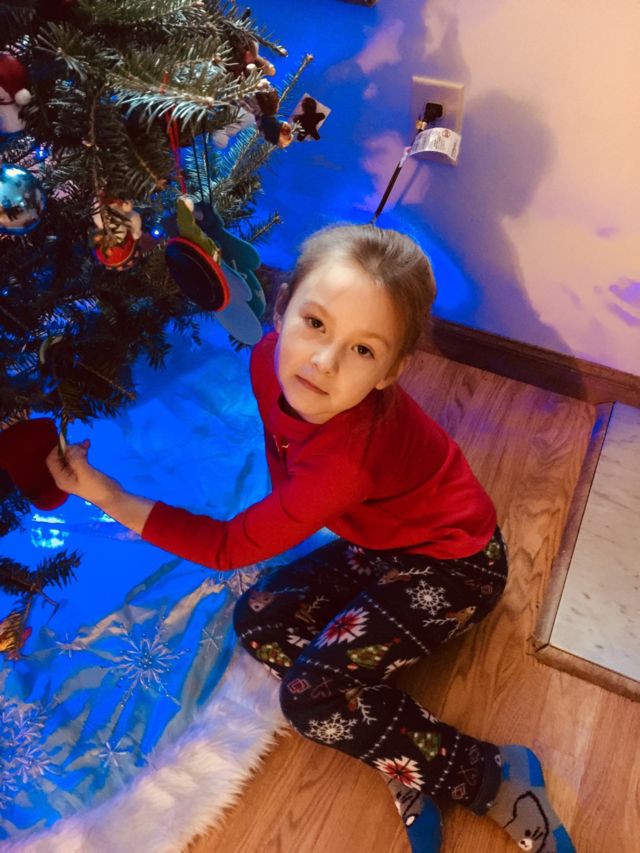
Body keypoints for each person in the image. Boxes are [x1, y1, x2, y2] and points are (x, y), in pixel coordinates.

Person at [47, 224, 575, 853]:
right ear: (282, 311)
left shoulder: (345, 464)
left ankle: (492, 775)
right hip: (376, 542)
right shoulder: (266, 363)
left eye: (363, 350)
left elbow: (227, 548)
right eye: (316, 323)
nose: (323, 361)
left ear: (390, 373)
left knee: (311, 702)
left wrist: (108, 495)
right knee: (259, 620)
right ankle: (398, 743)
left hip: (455, 566)